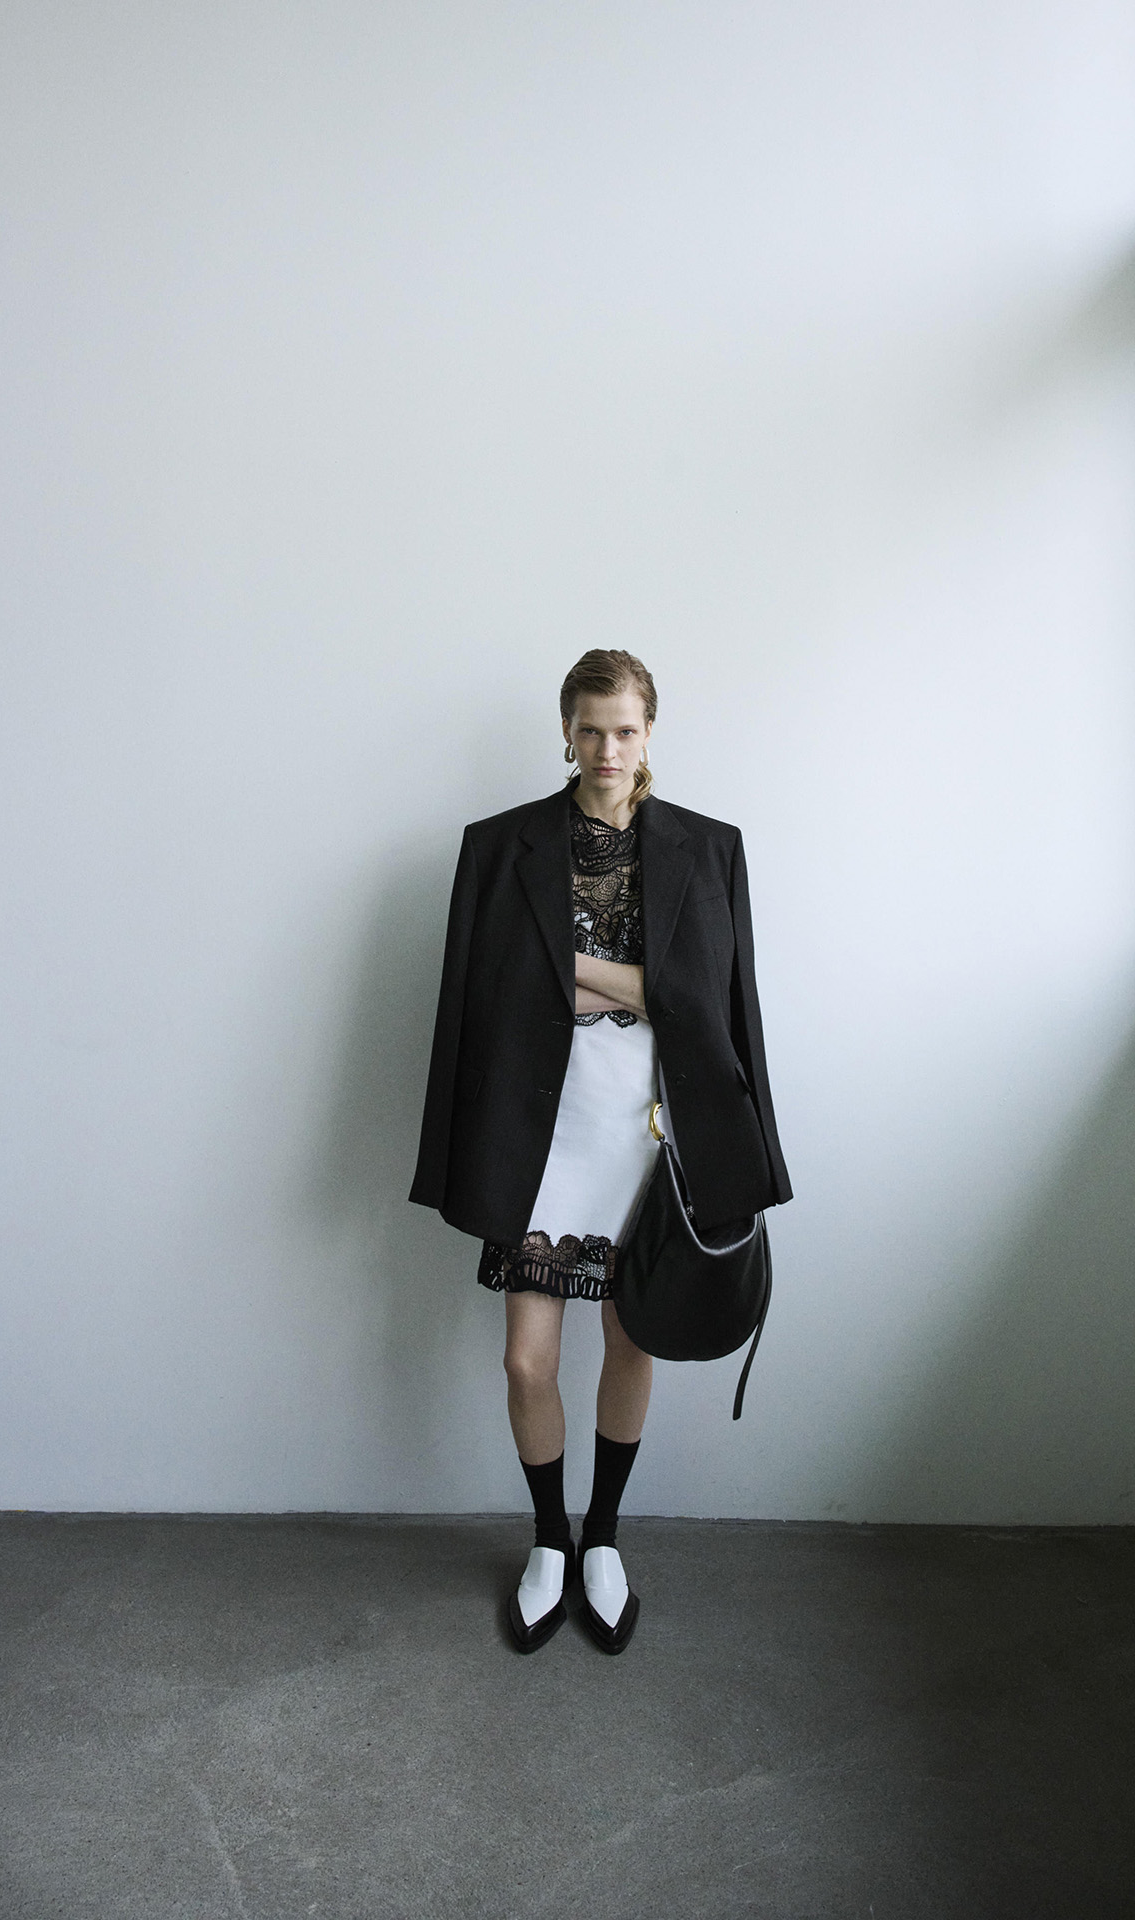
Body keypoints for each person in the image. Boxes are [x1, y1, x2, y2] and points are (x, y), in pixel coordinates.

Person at [409, 650, 791, 1654]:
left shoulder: (710, 849)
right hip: (537, 1128)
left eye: (624, 730)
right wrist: (642, 985)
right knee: (526, 1358)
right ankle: (549, 1540)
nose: (607, 749)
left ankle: (603, 1540)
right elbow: (485, 997)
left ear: (649, 730)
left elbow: (713, 1004)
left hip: (649, 1132)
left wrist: (576, 973)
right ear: (566, 732)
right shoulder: (500, 847)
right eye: (590, 729)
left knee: (633, 1339)